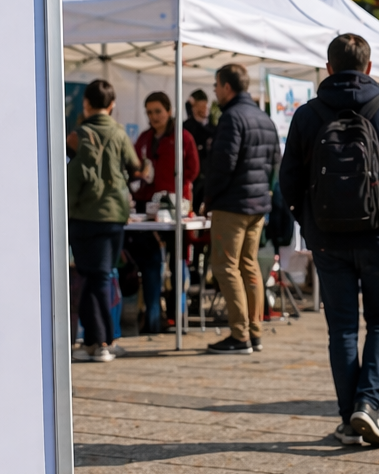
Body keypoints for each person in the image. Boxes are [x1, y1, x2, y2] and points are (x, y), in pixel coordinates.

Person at [280, 34, 379, 447]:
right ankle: (367, 405)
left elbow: (288, 180)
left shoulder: (307, 115)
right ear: (369, 67)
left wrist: (307, 220)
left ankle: (350, 419)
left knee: (342, 329)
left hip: (328, 237)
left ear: (328, 68)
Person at [199, 63, 281, 354]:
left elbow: (223, 165)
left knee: (225, 267)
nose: (214, 91)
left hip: (232, 204)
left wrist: (208, 199)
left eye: (216, 86)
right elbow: (274, 163)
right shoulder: (264, 118)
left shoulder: (231, 117)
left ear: (226, 86)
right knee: (249, 267)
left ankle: (240, 335)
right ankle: (254, 332)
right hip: (258, 204)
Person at [67, 78, 140, 363]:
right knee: (103, 276)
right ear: (112, 106)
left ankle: (99, 343)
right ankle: (105, 340)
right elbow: (135, 168)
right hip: (116, 215)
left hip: (84, 216)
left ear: (86, 104)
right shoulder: (120, 133)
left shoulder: (77, 136)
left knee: (91, 278)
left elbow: (69, 175)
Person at [127, 92, 200, 333]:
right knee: (150, 264)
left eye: (157, 111)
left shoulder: (183, 137)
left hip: (176, 209)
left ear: (168, 110)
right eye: (149, 112)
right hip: (147, 210)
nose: (153, 116)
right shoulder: (144, 138)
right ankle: (153, 318)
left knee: (178, 263)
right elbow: (135, 167)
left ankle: (177, 317)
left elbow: (193, 169)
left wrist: (176, 193)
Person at [183, 89, 217, 157]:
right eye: (200, 106)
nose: (204, 109)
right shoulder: (186, 127)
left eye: (205, 105)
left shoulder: (214, 127)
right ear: (193, 107)